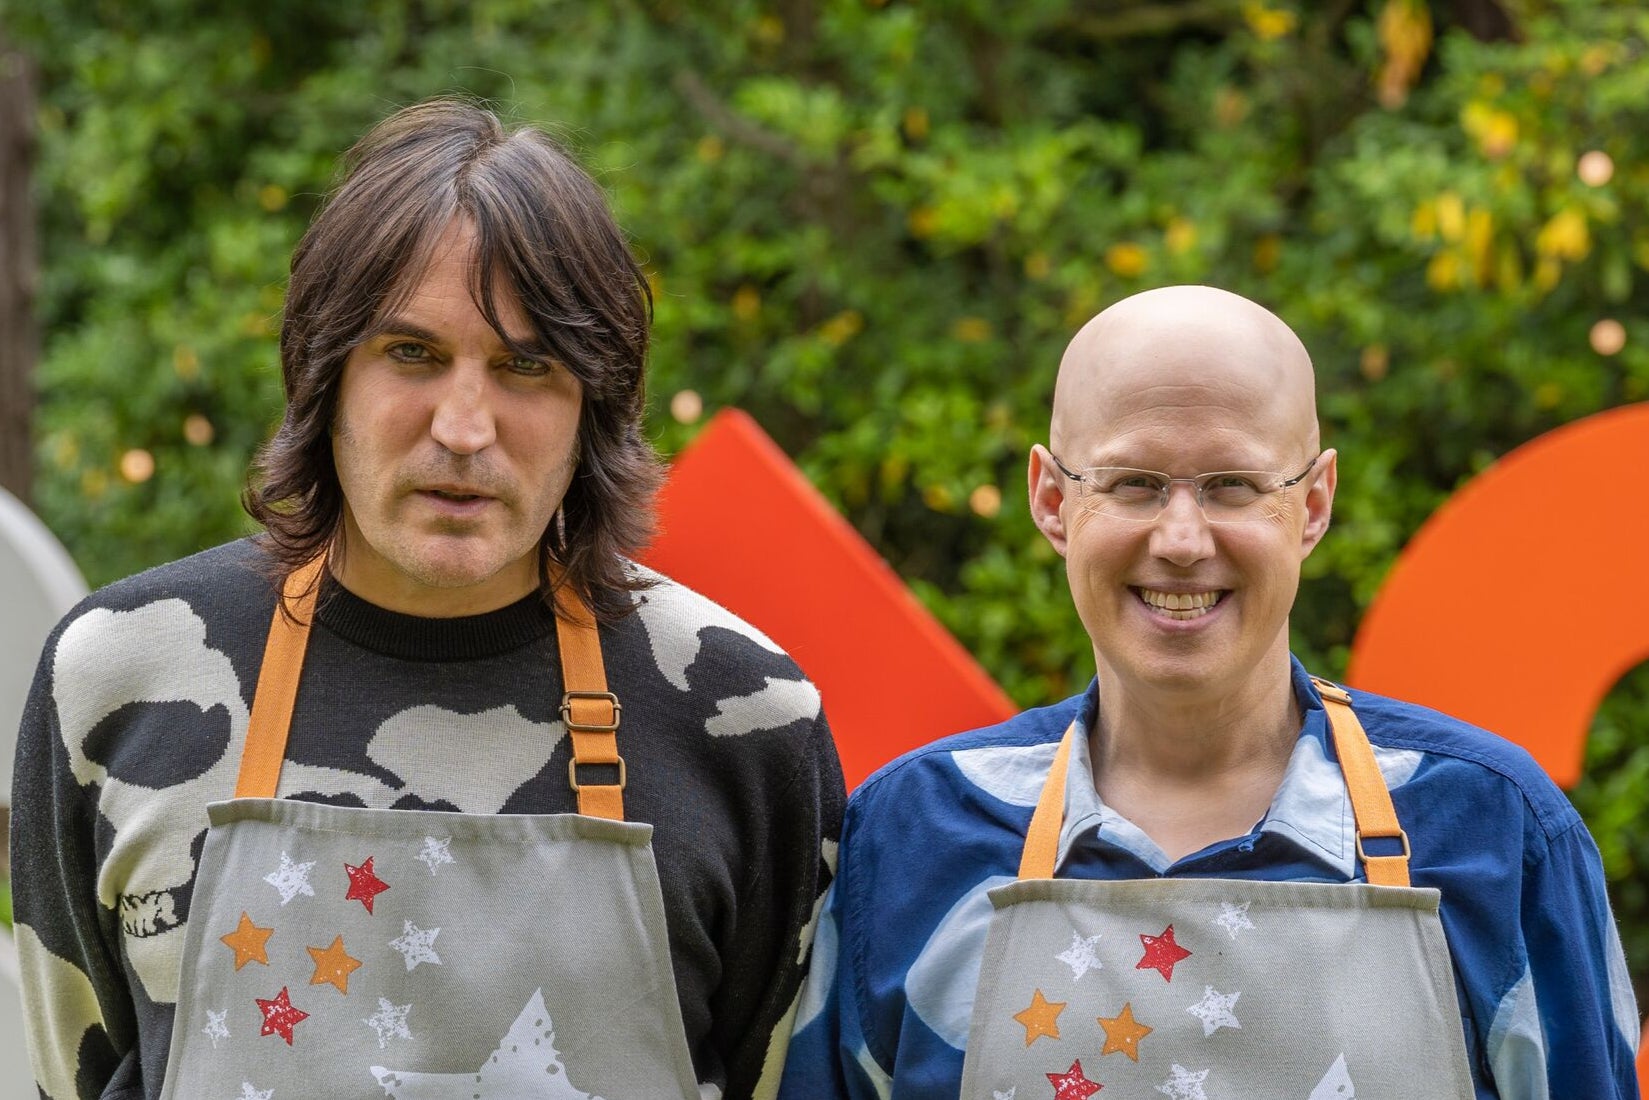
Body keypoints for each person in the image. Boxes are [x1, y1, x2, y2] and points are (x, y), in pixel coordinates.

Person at [12, 98, 844, 1100]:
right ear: (323, 374)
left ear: (595, 409)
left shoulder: (744, 717)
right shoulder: (122, 672)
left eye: (526, 365)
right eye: (410, 353)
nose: (462, 425)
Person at [778, 285, 1640, 1099]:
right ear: (1050, 500)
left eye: (1232, 485)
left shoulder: (1490, 826)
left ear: (1311, 504)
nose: (1182, 540)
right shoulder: (912, 835)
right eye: (1131, 485)